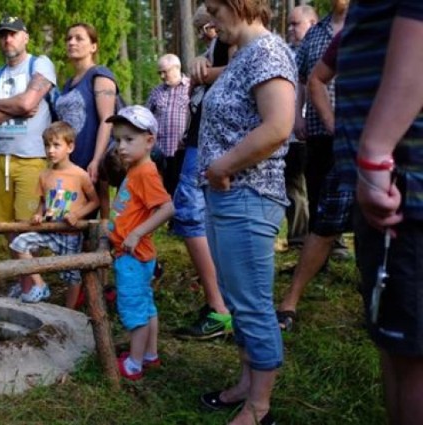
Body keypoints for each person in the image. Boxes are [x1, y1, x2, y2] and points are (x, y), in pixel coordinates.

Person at [198, 1, 296, 424]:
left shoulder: (269, 52)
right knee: (239, 300)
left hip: (249, 194)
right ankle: (245, 381)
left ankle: (260, 405)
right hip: (227, 196)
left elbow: (277, 126)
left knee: (253, 303)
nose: (210, 20)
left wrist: (224, 165)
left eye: (216, 9)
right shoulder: (242, 55)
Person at [335, 1, 423, 423]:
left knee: (415, 359)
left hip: (405, 188)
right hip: (392, 187)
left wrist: (374, 155)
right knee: (396, 348)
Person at [276, 33, 352, 331]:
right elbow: (316, 79)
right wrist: (334, 123)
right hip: (351, 150)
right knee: (324, 224)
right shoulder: (356, 29)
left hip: (407, 153)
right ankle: (290, 301)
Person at [0, 15, 57, 276]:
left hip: (31, 156)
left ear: (25, 37)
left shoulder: (39, 64)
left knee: (27, 225)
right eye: (2, 35)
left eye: (13, 33)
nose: (7, 39)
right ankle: (22, 280)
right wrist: (15, 108)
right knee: (4, 226)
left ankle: (36, 283)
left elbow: (28, 103)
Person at [173, 4, 232, 341]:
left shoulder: (236, 42)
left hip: (210, 143)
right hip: (200, 138)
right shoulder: (215, 46)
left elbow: (241, 70)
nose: (206, 32)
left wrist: (204, 73)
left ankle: (220, 309)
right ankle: (221, 303)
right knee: (198, 218)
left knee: (190, 215)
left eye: (209, 25)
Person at [105, 105, 174, 381]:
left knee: (134, 311)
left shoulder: (145, 173)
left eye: (129, 140)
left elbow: (167, 208)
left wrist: (135, 233)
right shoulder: (136, 169)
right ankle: (150, 354)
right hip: (137, 256)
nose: (121, 146)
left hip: (132, 256)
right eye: (118, 139)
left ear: (149, 141)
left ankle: (134, 364)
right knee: (146, 306)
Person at [9, 122, 99, 307]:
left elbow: (94, 201)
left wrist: (77, 214)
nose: (51, 150)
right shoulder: (44, 175)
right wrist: (38, 215)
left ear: (70, 147)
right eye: (47, 145)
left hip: (70, 235)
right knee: (19, 244)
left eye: (56, 145)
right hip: (49, 230)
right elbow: (43, 202)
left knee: (71, 277)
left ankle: (69, 313)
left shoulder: (80, 174)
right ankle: (40, 284)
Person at [294, 0, 350, 259]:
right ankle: (322, 255)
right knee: (317, 189)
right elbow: (302, 79)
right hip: (318, 128)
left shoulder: (367, 24)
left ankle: (362, 260)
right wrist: (297, 115)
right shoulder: (314, 34)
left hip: (357, 129)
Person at [54, 23, 118, 217]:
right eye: (69, 38)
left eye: (79, 38)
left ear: (93, 46)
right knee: (66, 219)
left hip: (90, 162)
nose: (72, 42)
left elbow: (108, 120)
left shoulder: (100, 76)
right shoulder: (68, 83)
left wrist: (97, 159)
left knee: (92, 220)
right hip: (68, 164)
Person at [283, 5, 318, 250]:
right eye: (289, 24)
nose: (290, 29)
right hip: (291, 132)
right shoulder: (287, 54)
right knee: (294, 185)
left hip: (318, 127)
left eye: (296, 24)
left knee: (319, 185)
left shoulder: (324, 49)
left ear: (313, 23)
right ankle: (298, 239)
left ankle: (329, 241)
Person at [146, 54, 191, 195]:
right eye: (160, 73)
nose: (162, 76)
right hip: (160, 154)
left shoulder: (191, 87)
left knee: (182, 194)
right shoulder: (156, 92)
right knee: (159, 194)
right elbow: (146, 117)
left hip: (183, 153)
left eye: (165, 72)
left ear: (177, 67)